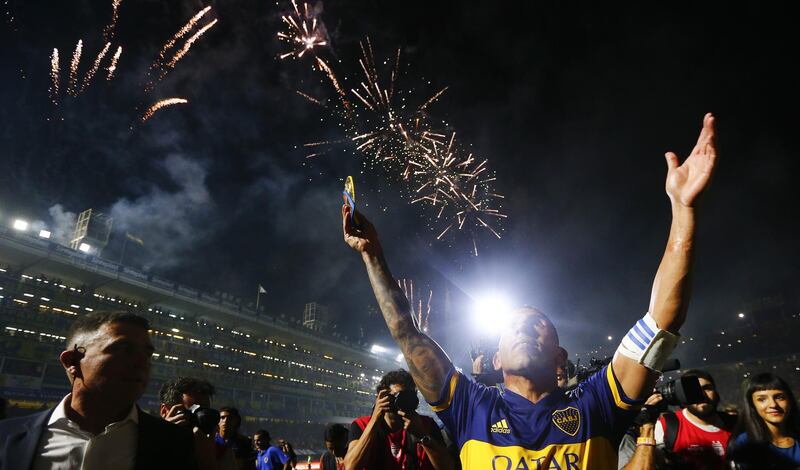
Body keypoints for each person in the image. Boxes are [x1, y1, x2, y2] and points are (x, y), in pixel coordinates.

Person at [342, 113, 718, 469]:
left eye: (536, 322)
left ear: (560, 355)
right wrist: (373, 256)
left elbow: (661, 323)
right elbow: (407, 334)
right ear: (496, 361)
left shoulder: (598, 403)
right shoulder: (470, 407)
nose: (521, 328)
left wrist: (683, 209)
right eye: (511, 326)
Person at [0, 310, 197, 469]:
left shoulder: (177, 444)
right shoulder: (6, 436)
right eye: (123, 349)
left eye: (147, 354)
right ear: (72, 361)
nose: (141, 362)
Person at [344, 370, 455, 470]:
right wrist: (374, 421)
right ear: (382, 397)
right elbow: (351, 467)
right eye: (399, 395)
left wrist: (422, 434)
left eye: (409, 396)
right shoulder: (362, 425)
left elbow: (449, 467)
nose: (404, 401)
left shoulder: (426, 424)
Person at [159, 377, 235, 470]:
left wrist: (209, 462)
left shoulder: (222, 453)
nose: (199, 417)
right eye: (190, 411)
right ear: (164, 411)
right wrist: (163, 440)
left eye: (204, 411)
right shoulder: (145, 442)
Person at [729, 373, 800, 469]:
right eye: (762, 399)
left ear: (789, 400)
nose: (773, 405)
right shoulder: (745, 443)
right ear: (753, 405)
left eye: (779, 397)